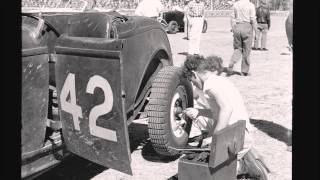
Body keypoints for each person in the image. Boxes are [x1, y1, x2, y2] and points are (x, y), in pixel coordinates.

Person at [182, 55, 270, 180]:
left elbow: (227, 110)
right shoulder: (219, 81)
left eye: (192, 81)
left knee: (212, 170)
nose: (194, 84)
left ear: (194, 74)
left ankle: (242, 167)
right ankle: (243, 162)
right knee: (208, 150)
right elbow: (219, 113)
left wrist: (215, 138)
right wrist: (199, 112)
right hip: (241, 133)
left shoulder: (209, 86)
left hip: (236, 136)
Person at [226, 0, 258, 76]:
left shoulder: (235, 5)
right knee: (247, 50)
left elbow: (232, 18)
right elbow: (253, 19)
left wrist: (233, 29)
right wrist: (256, 32)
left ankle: (232, 61)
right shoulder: (251, 5)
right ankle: (244, 71)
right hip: (247, 27)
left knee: (238, 48)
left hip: (237, 26)